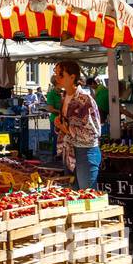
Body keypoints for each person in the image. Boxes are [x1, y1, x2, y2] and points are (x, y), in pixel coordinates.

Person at [53, 59, 102, 189]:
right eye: (55, 73)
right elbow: (65, 125)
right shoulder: (64, 97)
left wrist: (65, 128)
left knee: (88, 198)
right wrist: (59, 125)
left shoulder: (85, 99)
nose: (56, 77)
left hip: (85, 152)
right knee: (73, 197)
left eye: (60, 74)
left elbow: (93, 132)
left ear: (72, 76)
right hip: (70, 151)